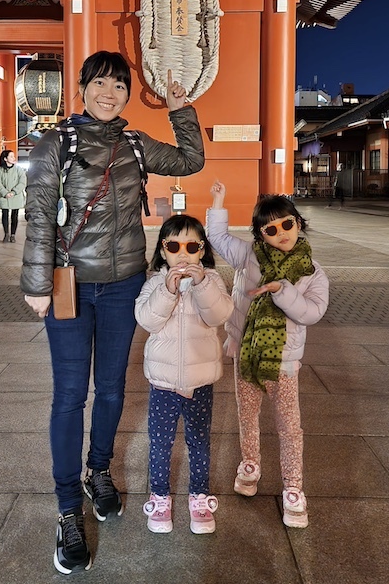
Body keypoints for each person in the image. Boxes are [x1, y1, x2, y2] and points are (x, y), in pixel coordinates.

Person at [21, 50, 204, 575]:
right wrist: (37, 282)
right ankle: (66, 509)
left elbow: (191, 160)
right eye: (100, 83)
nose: (110, 92)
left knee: (114, 389)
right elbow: (38, 214)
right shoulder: (56, 142)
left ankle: (99, 471)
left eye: (119, 85)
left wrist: (180, 109)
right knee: (70, 394)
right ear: (82, 89)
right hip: (69, 286)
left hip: (124, 285)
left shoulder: (133, 144)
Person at [207, 182, 329, 529]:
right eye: (270, 229)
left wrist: (282, 292)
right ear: (260, 235)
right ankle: (250, 464)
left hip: (284, 362)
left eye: (287, 224)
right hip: (245, 354)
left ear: (298, 223)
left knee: (289, 427)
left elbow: (312, 312)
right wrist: (218, 201)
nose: (281, 233)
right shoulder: (249, 256)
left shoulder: (312, 272)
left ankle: (293, 487)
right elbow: (217, 238)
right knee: (248, 416)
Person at [135, 214, 233, 536]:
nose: (183, 253)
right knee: (161, 443)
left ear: (202, 250)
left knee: (199, 441)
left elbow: (219, 314)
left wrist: (202, 284)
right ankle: (160, 496)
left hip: (199, 382)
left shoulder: (212, 282)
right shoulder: (154, 284)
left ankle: (199, 496)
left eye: (192, 246)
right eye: (173, 245)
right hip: (163, 384)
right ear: (163, 250)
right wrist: (166, 290)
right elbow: (147, 320)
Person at [0, 150, 27, 242]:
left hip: (16, 196)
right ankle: (6, 234)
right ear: (5, 159)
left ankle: (13, 235)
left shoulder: (18, 169)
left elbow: (22, 182)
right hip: (4, 196)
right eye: (11, 156)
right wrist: (5, 193)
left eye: (13, 156)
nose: (13, 158)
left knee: (14, 215)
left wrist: (14, 192)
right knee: (4, 214)